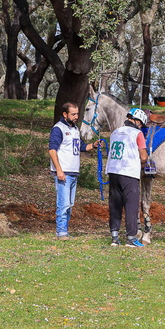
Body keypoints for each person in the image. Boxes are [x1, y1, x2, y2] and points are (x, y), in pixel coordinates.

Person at [48, 102, 98, 240]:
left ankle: (65, 230)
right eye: (73, 114)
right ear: (65, 114)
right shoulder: (59, 129)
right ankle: (61, 232)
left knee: (69, 205)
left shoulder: (75, 129)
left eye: (77, 113)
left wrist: (93, 146)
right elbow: (52, 150)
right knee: (63, 204)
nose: (76, 116)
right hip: (64, 173)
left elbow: (80, 146)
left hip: (73, 172)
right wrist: (59, 170)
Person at [105, 108, 149, 247]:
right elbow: (143, 156)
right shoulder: (138, 133)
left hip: (113, 171)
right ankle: (131, 238)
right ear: (136, 121)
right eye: (141, 123)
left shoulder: (115, 132)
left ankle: (114, 237)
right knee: (131, 205)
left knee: (115, 204)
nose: (140, 126)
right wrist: (144, 161)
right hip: (129, 173)